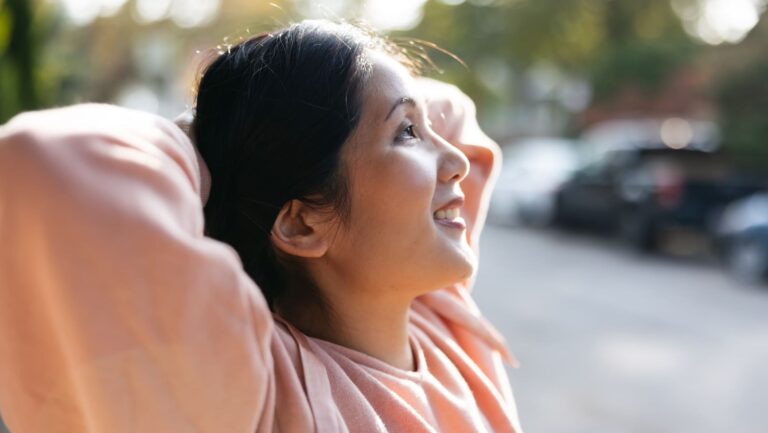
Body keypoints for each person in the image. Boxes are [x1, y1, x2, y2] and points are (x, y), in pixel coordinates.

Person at [0, 20, 522, 433]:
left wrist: (255, 144)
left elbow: (450, 106)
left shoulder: (442, 319)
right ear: (299, 224)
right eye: (408, 133)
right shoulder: (262, 396)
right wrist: (208, 135)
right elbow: (45, 163)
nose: (455, 160)